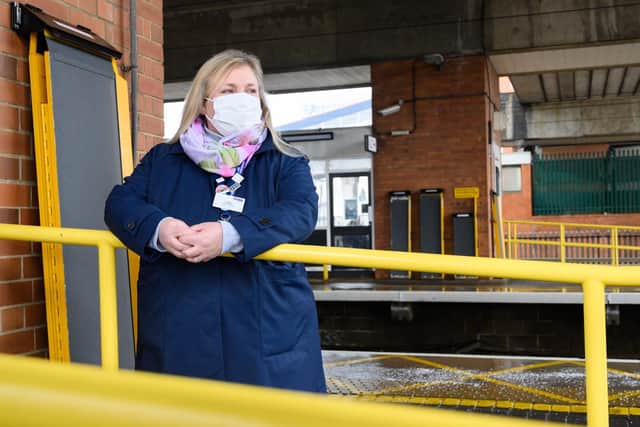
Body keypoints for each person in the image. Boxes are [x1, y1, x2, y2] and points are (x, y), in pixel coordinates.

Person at [104, 49, 326, 393]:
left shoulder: (285, 161)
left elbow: (300, 211)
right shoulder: (164, 160)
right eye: (228, 90)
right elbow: (120, 203)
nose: (242, 99)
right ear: (204, 102)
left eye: (251, 91)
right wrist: (159, 228)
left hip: (264, 330)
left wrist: (231, 235)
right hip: (181, 329)